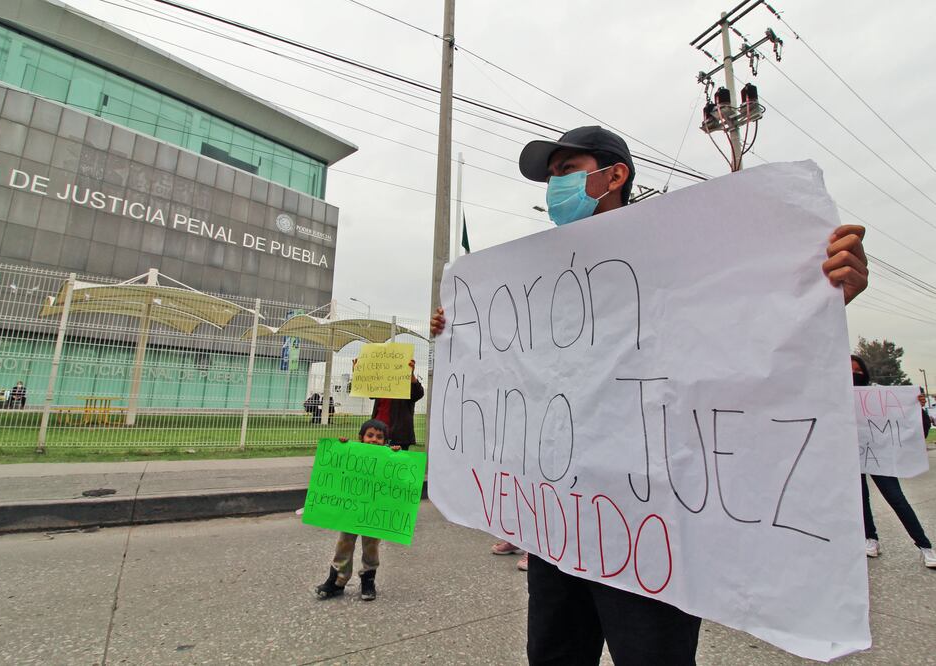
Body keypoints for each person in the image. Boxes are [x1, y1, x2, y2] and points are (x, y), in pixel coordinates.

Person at [430, 126, 871, 665]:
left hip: (645, 528)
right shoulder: (540, 281)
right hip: (557, 523)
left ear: (614, 175)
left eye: (566, 171)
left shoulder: (678, 260)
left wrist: (819, 296)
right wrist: (459, 332)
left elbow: (737, 336)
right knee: (552, 654)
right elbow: (517, 367)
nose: (554, 186)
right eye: (550, 177)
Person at [852, 355, 936, 569]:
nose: (854, 375)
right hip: (852, 456)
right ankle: (870, 538)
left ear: (865, 373)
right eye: (850, 372)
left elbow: (913, 422)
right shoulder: (838, 398)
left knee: (896, 498)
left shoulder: (877, 394)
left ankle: (925, 546)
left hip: (878, 456)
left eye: (858, 371)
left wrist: (917, 407)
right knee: (861, 499)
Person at [315, 418, 392, 601]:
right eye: (370, 435)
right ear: (361, 438)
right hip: (350, 511)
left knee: (371, 546)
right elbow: (338, 467)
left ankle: (368, 580)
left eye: (379, 437)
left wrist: (396, 454)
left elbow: (397, 475)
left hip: (373, 512)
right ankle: (337, 580)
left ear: (385, 442)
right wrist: (341, 447)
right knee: (344, 543)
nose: (374, 440)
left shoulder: (388, 458)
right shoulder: (353, 454)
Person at [368, 359, 424, 450]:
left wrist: (410, 374)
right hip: (377, 434)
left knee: (397, 459)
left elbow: (418, 393)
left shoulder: (405, 384)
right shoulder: (381, 383)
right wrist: (359, 372)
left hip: (398, 437)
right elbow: (369, 392)